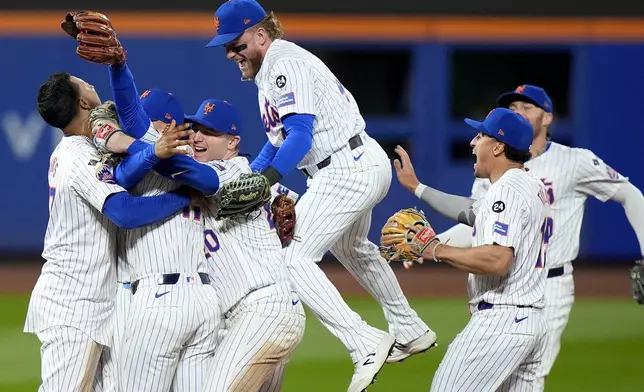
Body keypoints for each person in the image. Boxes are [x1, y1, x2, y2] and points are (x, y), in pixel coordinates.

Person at [206, 1, 434, 390]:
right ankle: (409, 328)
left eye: (236, 44)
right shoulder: (271, 70)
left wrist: (268, 180)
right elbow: (275, 143)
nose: (231, 53)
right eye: (226, 47)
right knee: (354, 249)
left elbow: (300, 136)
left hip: (346, 167)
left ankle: (363, 341)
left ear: (261, 35)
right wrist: (249, 175)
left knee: (292, 257)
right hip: (351, 161)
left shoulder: (283, 64)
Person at [102, 54, 306, 390]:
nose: (198, 136)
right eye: (195, 128)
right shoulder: (235, 176)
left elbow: (303, 212)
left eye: (210, 132)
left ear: (232, 142)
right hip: (233, 315)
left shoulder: (232, 172)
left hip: (261, 308)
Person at [427, 85, 644, 389]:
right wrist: (432, 244)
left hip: (546, 284)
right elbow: (480, 222)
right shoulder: (512, 175)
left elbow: (631, 195)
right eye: (513, 106)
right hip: (508, 289)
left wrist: (435, 249)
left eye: (527, 107)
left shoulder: (573, 161)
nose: (519, 111)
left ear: (548, 117)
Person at [24, 72, 194, 392]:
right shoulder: (79, 156)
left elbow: (123, 174)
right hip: (73, 304)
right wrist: (184, 198)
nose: (92, 85)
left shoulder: (79, 150)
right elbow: (124, 212)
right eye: (85, 83)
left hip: (92, 304)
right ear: (84, 102)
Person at [394, 107, 551, 391]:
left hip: (501, 322)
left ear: (498, 146)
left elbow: (498, 259)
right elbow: (472, 210)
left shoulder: (507, 189)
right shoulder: (531, 184)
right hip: (531, 322)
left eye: (480, 136)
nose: (472, 142)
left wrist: (435, 250)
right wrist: (417, 187)